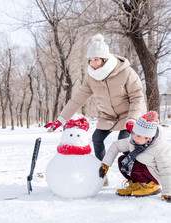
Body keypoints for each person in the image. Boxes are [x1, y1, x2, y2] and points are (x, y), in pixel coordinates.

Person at [45, 34, 146, 185]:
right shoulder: (92, 77)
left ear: (105, 59)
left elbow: (137, 96)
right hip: (108, 116)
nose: (92, 63)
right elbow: (77, 99)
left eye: (96, 60)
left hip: (128, 115)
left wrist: (132, 118)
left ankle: (136, 180)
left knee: (124, 144)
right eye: (90, 60)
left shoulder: (126, 72)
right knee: (97, 139)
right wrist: (61, 119)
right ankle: (102, 175)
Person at [98, 111, 171, 202]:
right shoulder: (133, 140)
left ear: (149, 138)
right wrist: (106, 164)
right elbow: (116, 146)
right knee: (123, 160)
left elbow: (166, 171)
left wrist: (167, 192)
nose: (134, 138)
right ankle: (136, 184)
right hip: (144, 170)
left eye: (139, 136)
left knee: (138, 163)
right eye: (134, 133)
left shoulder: (160, 148)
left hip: (156, 175)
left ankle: (151, 186)